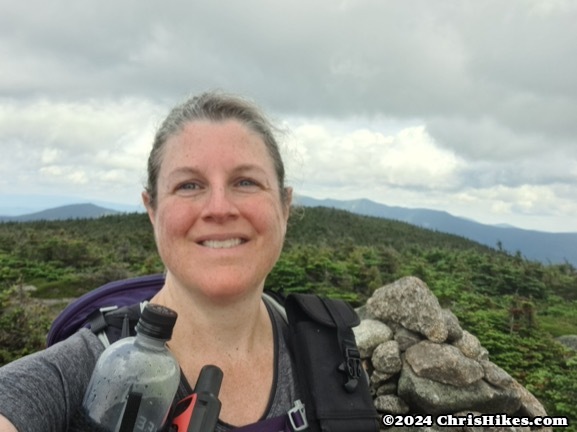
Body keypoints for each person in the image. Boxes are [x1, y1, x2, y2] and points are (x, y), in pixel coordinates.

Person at [0, 91, 298, 431]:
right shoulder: (94, 364)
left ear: (284, 206)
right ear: (152, 209)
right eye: (189, 185)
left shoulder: (330, 353)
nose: (219, 208)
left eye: (245, 182)